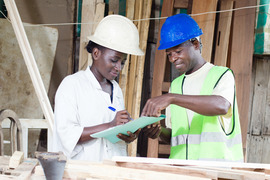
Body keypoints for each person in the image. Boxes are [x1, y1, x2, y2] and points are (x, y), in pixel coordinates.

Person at [142, 14, 244, 162]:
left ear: (195, 44)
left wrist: (171, 98)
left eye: (177, 51)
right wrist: (157, 131)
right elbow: (175, 137)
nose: (173, 58)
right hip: (182, 172)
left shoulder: (222, 75)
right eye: (169, 54)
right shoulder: (175, 86)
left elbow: (221, 106)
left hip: (215, 171)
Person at [52, 15, 143, 162]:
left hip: (113, 172)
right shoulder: (72, 85)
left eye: (123, 62)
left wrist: (128, 133)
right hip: (82, 173)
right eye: (114, 60)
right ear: (96, 53)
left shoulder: (116, 89)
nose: (119, 68)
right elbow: (67, 135)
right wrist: (111, 125)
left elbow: (113, 133)